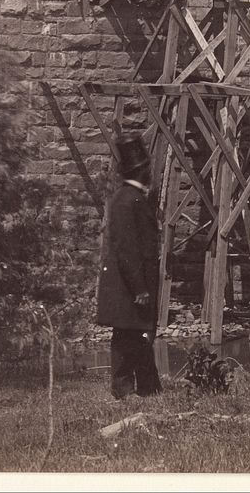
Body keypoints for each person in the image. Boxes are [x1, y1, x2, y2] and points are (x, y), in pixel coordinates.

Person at [97, 133, 162, 400]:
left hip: (134, 282)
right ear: (143, 170)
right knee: (127, 337)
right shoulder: (127, 200)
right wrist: (139, 288)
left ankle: (149, 387)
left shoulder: (131, 198)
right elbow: (126, 249)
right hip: (130, 284)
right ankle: (123, 390)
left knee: (139, 335)